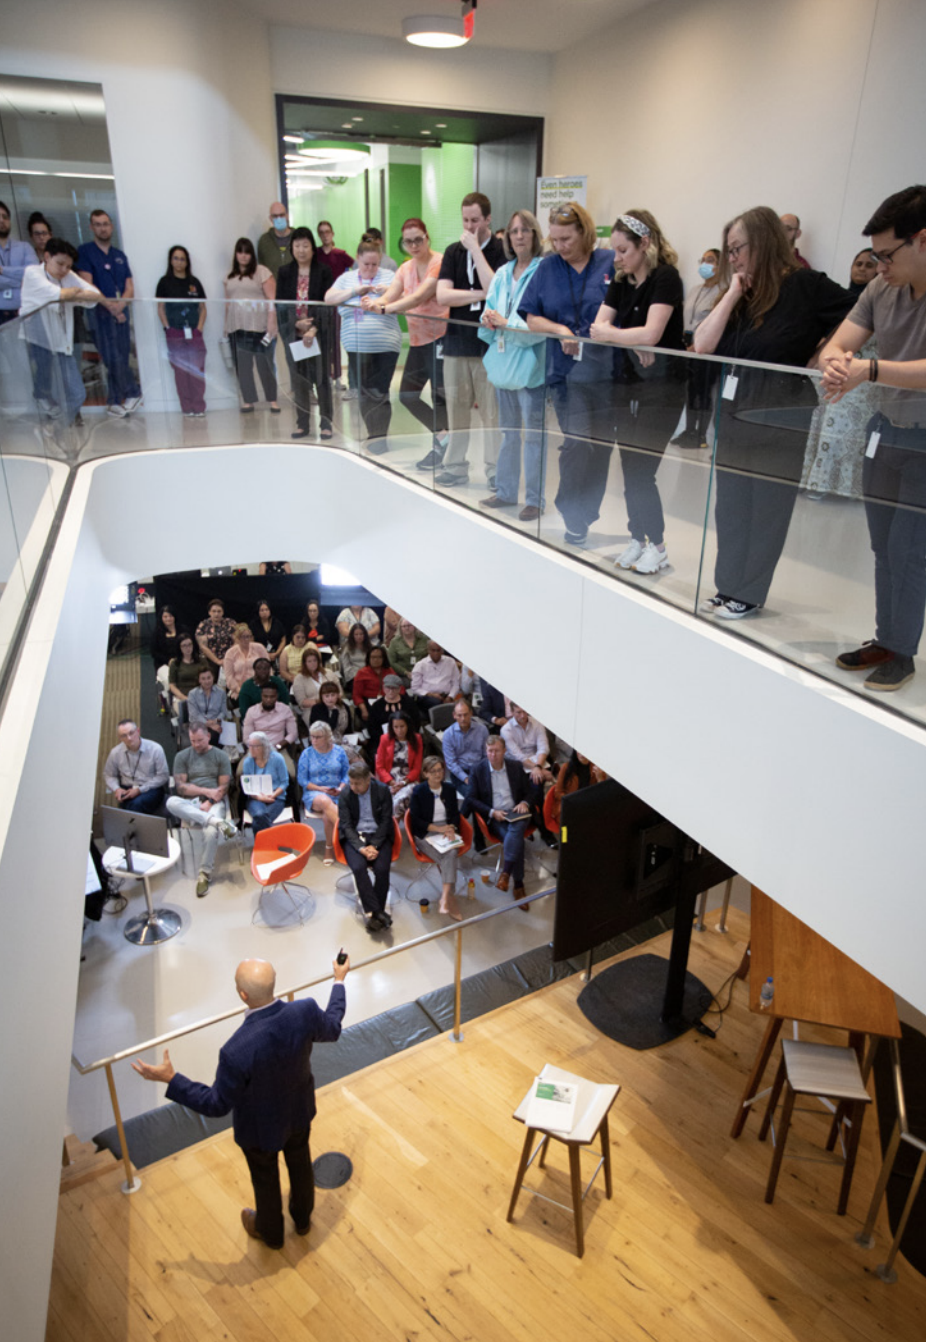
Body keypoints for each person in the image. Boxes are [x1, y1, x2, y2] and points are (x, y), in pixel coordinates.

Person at [694, 206, 854, 620]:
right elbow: (704, 344)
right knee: (729, 508)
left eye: (737, 249)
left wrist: (825, 351)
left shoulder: (805, 285)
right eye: (728, 250)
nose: (732, 258)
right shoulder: (743, 297)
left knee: (766, 508)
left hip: (781, 414)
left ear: (762, 242)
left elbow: (859, 313)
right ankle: (727, 584)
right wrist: (731, 292)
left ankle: (748, 592)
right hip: (734, 412)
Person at [132, 952, 349, 1250]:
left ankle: (271, 1234)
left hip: (259, 1132)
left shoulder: (236, 1050)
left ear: (242, 994)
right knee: (300, 1165)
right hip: (298, 1112)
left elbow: (216, 1104)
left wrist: (172, 1079)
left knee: (265, 1181)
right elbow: (333, 1028)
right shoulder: (304, 1011)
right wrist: (339, 981)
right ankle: (302, 1221)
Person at [820, 185, 926, 693]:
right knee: (883, 545)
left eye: (887, 255)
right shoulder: (881, 288)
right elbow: (840, 342)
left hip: (924, 441)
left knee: (910, 549)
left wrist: (872, 369)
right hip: (884, 432)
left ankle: (902, 651)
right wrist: (838, 362)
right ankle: (886, 638)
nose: (878, 266)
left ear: (922, 240)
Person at [590, 209, 687, 575]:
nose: (616, 258)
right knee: (628, 466)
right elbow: (598, 327)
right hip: (628, 385)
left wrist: (632, 336)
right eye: (614, 251)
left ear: (645, 244)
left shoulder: (666, 278)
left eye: (623, 250)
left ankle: (658, 546)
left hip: (664, 389)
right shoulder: (621, 279)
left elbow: (652, 334)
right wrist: (632, 339)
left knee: (642, 469)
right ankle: (638, 537)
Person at [521, 202, 616, 547]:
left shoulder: (608, 263)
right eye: (555, 239)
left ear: (585, 233)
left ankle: (584, 517)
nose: (560, 246)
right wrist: (560, 329)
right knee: (578, 441)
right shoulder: (548, 267)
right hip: (566, 376)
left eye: (566, 239)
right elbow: (531, 317)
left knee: (601, 449)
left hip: (607, 374)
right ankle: (570, 507)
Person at [478, 210, 547, 520]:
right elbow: (491, 305)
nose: (519, 236)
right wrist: (489, 319)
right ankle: (506, 492)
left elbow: (543, 319)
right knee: (509, 433)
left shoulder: (544, 271)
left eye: (525, 230)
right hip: (505, 361)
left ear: (535, 234)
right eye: (514, 231)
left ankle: (534, 499)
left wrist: (507, 322)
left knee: (533, 436)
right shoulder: (504, 272)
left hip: (531, 364)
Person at [434, 193, 506, 488]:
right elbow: (443, 296)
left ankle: (494, 469)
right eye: (465, 220)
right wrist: (478, 295)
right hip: (455, 342)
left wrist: (476, 249)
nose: (469, 226)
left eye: (475, 220)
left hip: (488, 344)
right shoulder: (453, 252)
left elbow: (496, 288)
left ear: (488, 219)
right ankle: (455, 465)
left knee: (490, 412)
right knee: (457, 408)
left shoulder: (502, 250)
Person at [365, 217, 449, 467]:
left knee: (439, 396)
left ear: (427, 237)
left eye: (418, 239)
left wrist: (386, 308)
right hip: (418, 341)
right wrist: (375, 303)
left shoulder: (440, 262)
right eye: (408, 241)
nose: (413, 245)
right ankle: (444, 436)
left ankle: (443, 448)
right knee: (407, 395)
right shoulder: (405, 268)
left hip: (441, 338)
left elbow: (419, 298)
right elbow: (392, 293)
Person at [801, 249, 880, 500]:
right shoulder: (841, 301)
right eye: (858, 263)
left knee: (844, 428)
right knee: (819, 423)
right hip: (835, 371)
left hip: (866, 377)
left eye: (870, 265)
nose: (862, 269)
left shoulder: (882, 302)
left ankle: (841, 488)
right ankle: (814, 482)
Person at [326, 239, 401, 448]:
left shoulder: (390, 277)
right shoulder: (346, 278)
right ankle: (372, 434)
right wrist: (354, 292)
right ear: (358, 259)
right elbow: (328, 298)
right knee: (364, 392)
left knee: (380, 391)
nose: (370, 268)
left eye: (374, 264)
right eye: (366, 264)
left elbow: (405, 298)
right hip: (357, 346)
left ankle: (380, 438)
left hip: (386, 344)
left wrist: (387, 292)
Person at [19, 238, 101, 426]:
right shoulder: (33, 273)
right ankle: (57, 430)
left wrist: (72, 292)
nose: (64, 270)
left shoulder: (67, 275)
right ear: (47, 257)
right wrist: (72, 293)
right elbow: (59, 294)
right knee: (51, 392)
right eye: (60, 264)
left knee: (77, 393)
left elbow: (95, 297)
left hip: (61, 343)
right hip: (38, 343)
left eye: (68, 266)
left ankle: (60, 429)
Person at [76, 210, 143, 417]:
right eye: (97, 224)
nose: (102, 228)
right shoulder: (85, 252)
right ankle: (133, 392)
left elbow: (129, 288)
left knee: (121, 357)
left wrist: (120, 306)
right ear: (91, 227)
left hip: (121, 315)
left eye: (105, 224)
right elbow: (88, 285)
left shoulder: (119, 256)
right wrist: (111, 307)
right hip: (100, 316)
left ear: (111, 226)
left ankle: (115, 400)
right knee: (111, 357)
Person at [276, 226, 334, 440]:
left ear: (312, 247)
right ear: (291, 248)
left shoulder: (324, 271)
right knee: (299, 380)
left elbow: (327, 304)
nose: (301, 250)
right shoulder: (284, 272)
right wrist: (296, 325)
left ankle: (326, 423)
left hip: (318, 334)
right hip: (295, 335)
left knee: (321, 380)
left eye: (305, 245)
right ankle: (302, 424)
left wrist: (313, 328)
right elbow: (280, 305)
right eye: (297, 245)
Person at [167, 725, 236, 897]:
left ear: (208, 736)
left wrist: (211, 800)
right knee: (171, 802)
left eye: (200, 740)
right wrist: (206, 792)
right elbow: (181, 789)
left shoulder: (220, 756)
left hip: (215, 802)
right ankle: (217, 821)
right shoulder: (182, 756)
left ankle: (204, 873)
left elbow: (223, 788)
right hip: (193, 804)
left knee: (211, 832)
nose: (196, 744)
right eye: (192, 741)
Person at [465, 735, 532, 906]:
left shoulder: (515, 767)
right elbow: (471, 799)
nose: (492, 755)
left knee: (516, 830)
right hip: (497, 815)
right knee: (517, 839)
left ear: (504, 751)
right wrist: (492, 812)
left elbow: (530, 791)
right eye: (489, 751)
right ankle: (518, 885)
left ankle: (506, 875)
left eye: (496, 751)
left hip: (516, 811)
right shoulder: (478, 769)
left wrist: (525, 802)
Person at [223, 238, 280, 413]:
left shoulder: (262, 272)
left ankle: (272, 400)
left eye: (247, 252)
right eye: (240, 252)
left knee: (265, 364)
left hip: (260, 327)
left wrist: (271, 322)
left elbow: (272, 299)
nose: (243, 256)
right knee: (243, 367)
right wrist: (225, 326)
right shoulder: (229, 277)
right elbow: (227, 303)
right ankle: (248, 401)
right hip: (237, 327)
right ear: (236, 254)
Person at [337, 761, 395, 932]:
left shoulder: (382, 791)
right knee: (358, 867)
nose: (353, 786)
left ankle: (375, 914)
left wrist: (375, 845)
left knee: (382, 868)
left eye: (357, 783)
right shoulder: (346, 793)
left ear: (367, 780)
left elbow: (386, 820)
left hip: (378, 835)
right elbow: (346, 825)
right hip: (355, 837)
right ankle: (378, 912)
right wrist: (362, 848)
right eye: (351, 782)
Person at [674, 247, 722, 450]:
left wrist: (698, 344)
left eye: (710, 260)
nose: (704, 264)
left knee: (703, 392)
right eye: (702, 260)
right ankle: (688, 430)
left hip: (706, 349)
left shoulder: (722, 292)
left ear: (720, 265)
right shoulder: (695, 290)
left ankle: (701, 435)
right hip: (687, 345)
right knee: (690, 391)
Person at [409, 756, 465, 919]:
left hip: (446, 829)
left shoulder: (449, 789)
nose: (437, 774)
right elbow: (416, 820)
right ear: (425, 773)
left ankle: (446, 897)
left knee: (450, 853)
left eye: (440, 770)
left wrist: (451, 828)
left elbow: (455, 814)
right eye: (433, 771)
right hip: (426, 831)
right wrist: (438, 829)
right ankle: (450, 898)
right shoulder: (419, 791)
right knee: (450, 855)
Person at [156, 245, 207, 417]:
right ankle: (187, 408)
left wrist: (199, 329)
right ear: (171, 261)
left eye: (182, 259)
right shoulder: (164, 282)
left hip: (194, 332)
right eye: (176, 258)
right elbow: (161, 307)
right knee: (181, 372)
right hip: (175, 333)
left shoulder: (194, 282)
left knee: (197, 370)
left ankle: (199, 407)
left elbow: (203, 308)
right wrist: (167, 328)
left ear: (187, 262)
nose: (179, 262)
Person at [501, 703, 556, 844]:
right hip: (518, 767)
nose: (523, 716)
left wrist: (538, 767)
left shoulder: (537, 724)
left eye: (525, 712)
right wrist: (537, 768)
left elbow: (543, 748)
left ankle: (536, 826)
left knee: (536, 790)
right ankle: (542, 829)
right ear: (512, 712)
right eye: (518, 712)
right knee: (535, 797)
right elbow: (518, 755)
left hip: (538, 764)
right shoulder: (506, 730)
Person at [297, 720, 349, 863]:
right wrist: (320, 789)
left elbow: (347, 774)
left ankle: (329, 848)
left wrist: (340, 788)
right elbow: (302, 780)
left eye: (318, 737)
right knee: (325, 801)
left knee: (328, 816)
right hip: (314, 793)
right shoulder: (306, 754)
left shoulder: (339, 751)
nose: (313, 740)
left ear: (327, 737)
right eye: (312, 736)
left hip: (337, 791)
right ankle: (350, 835)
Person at [102, 719, 169, 814]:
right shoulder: (115, 753)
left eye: (131, 733)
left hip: (150, 788)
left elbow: (163, 776)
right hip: (127, 788)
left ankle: (131, 826)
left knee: (135, 805)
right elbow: (109, 775)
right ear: (119, 738)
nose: (129, 738)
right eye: (124, 736)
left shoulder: (155, 749)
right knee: (130, 805)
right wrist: (117, 788)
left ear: (138, 731)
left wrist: (139, 790)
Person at [241, 684, 298, 777]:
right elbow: (246, 738)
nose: (268, 700)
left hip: (279, 749)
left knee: (290, 773)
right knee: (241, 772)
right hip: (256, 749)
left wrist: (278, 746)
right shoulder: (251, 711)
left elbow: (293, 734)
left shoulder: (285, 710)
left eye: (272, 697)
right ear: (261, 696)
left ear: (277, 696)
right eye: (265, 696)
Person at [374, 711, 422, 818]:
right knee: (396, 800)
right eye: (396, 727)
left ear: (408, 725)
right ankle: (395, 826)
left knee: (401, 799)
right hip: (390, 780)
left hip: (409, 780)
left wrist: (403, 782)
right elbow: (379, 766)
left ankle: (392, 826)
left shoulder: (417, 739)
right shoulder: (384, 739)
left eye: (402, 726)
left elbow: (417, 768)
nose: (399, 730)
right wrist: (392, 782)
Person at [239, 732, 289, 833]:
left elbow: (285, 782)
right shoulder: (248, 762)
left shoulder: (277, 759)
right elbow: (247, 787)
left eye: (255, 746)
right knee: (259, 815)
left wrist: (273, 795)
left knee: (259, 820)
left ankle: (259, 848)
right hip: (255, 797)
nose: (251, 749)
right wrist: (259, 797)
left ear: (264, 746)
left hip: (276, 797)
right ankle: (270, 846)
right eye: (250, 746)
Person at [548, 749, 607, 829]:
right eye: (579, 751)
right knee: (566, 828)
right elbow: (558, 792)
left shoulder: (597, 769)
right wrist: (572, 801)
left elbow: (602, 795)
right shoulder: (566, 767)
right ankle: (566, 840)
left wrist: (600, 779)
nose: (582, 754)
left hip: (587, 805)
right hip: (569, 805)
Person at [0, 199, 38, 324]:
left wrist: (2, 270)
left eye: (5, 217)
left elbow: (34, 274)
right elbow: (27, 275)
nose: (1, 221)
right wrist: (20, 281)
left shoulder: (25, 247)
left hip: (27, 312)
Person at [441, 698, 489, 794]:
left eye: (466, 714)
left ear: (471, 713)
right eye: (459, 715)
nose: (463, 718)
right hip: (460, 772)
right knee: (472, 794)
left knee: (492, 791)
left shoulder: (482, 730)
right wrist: (466, 778)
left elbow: (486, 755)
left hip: (479, 769)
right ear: (454, 715)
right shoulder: (448, 734)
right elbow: (451, 763)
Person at [292, 645, 340, 729]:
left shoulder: (328, 673)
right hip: (312, 709)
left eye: (315, 660)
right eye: (309, 661)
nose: (312, 663)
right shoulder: (299, 679)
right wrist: (322, 702)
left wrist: (332, 701)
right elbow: (302, 702)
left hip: (333, 703)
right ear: (304, 663)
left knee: (344, 711)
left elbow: (339, 691)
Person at [223, 624, 270, 706]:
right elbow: (229, 677)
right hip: (239, 690)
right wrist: (240, 691)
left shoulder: (259, 648)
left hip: (260, 688)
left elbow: (269, 669)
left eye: (248, 636)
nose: (246, 639)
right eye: (243, 637)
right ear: (237, 638)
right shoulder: (230, 653)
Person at [410, 640, 461, 713]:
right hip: (427, 697)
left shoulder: (450, 662)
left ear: (442, 651)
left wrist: (450, 697)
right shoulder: (420, 665)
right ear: (428, 650)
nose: (436, 653)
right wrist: (431, 694)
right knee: (437, 704)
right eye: (433, 650)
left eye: (438, 650)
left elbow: (456, 684)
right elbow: (415, 688)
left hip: (447, 695)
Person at [150, 604, 183, 708]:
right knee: (170, 681)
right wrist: (169, 661)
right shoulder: (157, 634)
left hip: (183, 661)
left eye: (170, 616)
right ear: (161, 618)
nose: (168, 619)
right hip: (164, 664)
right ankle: (173, 704)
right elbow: (154, 653)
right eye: (165, 616)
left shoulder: (183, 630)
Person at [367, 672, 415, 741]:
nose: (391, 691)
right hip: (383, 741)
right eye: (388, 688)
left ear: (399, 689)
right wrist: (384, 740)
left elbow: (415, 723)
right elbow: (372, 727)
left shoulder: (408, 703)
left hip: (406, 739)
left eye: (394, 688)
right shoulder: (377, 705)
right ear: (383, 688)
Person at [187, 666, 227, 745]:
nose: (207, 681)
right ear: (199, 680)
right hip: (198, 724)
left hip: (216, 723)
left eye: (209, 678)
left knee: (218, 734)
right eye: (203, 679)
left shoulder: (221, 692)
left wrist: (215, 721)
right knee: (211, 735)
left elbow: (223, 712)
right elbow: (194, 715)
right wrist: (209, 725)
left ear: (213, 678)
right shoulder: (192, 694)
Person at [196, 598, 238, 672]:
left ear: (223, 612)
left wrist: (227, 658)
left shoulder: (231, 623)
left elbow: (237, 641)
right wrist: (217, 661)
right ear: (209, 612)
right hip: (209, 661)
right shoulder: (203, 625)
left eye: (219, 611)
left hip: (230, 658)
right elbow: (203, 647)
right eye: (214, 611)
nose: (216, 614)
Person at [309, 680, 354, 748]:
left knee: (357, 757)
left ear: (338, 695)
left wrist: (351, 745)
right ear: (322, 697)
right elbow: (328, 729)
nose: (330, 699)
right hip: (323, 744)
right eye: (327, 696)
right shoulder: (317, 709)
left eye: (333, 695)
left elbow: (349, 730)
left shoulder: (344, 707)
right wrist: (334, 711)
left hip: (342, 742)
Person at [352, 644, 390, 722]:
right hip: (368, 703)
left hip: (388, 700)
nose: (376, 660)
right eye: (373, 657)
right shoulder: (361, 673)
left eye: (379, 657)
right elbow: (356, 695)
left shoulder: (389, 671)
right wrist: (363, 710)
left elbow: (400, 689)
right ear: (368, 658)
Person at [168, 633, 208, 706]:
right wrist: (184, 698)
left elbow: (208, 679)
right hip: (183, 696)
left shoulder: (202, 661)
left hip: (201, 694)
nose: (188, 648)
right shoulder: (175, 663)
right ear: (179, 648)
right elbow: (172, 685)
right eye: (184, 646)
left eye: (190, 644)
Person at [257, 202, 293, 278]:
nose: (279, 219)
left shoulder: (298, 237)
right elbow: (262, 270)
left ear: (287, 216)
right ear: (270, 218)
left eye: (281, 215)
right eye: (275, 216)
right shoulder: (264, 241)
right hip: (274, 288)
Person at [387, 618, 429, 684]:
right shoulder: (394, 642)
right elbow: (392, 662)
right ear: (400, 628)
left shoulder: (424, 639)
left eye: (409, 625)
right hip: (403, 675)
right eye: (404, 626)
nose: (407, 628)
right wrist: (405, 672)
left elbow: (430, 656)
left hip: (424, 673)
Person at [338, 621, 373, 692]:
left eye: (361, 634)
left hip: (369, 675)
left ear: (365, 635)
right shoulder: (347, 648)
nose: (359, 637)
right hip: (353, 677)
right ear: (352, 635)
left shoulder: (371, 647)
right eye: (356, 634)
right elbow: (346, 668)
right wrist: (359, 675)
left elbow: (373, 664)